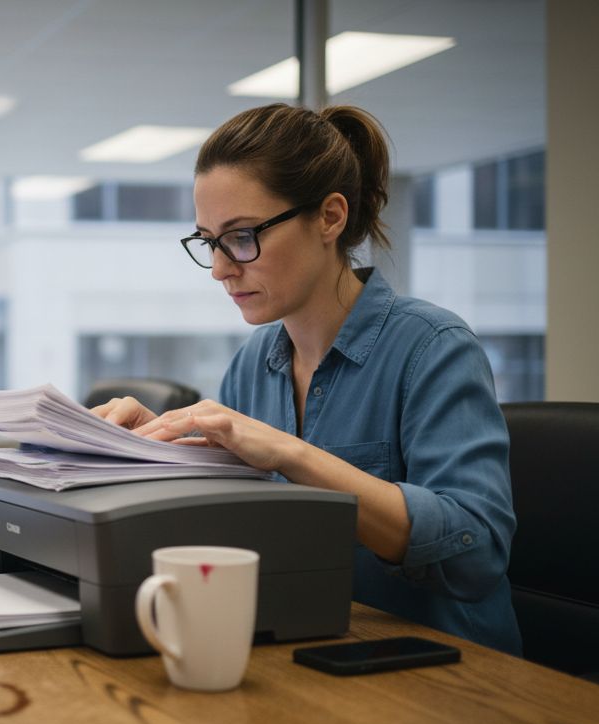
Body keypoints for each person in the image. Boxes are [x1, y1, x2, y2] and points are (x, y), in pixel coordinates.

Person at [92, 103, 521, 654]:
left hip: (444, 673)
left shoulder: (432, 348)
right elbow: (239, 522)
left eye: (242, 236)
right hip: (308, 646)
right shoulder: (255, 362)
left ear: (330, 218)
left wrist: (291, 454)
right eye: (208, 241)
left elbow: (476, 553)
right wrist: (167, 453)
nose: (222, 268)